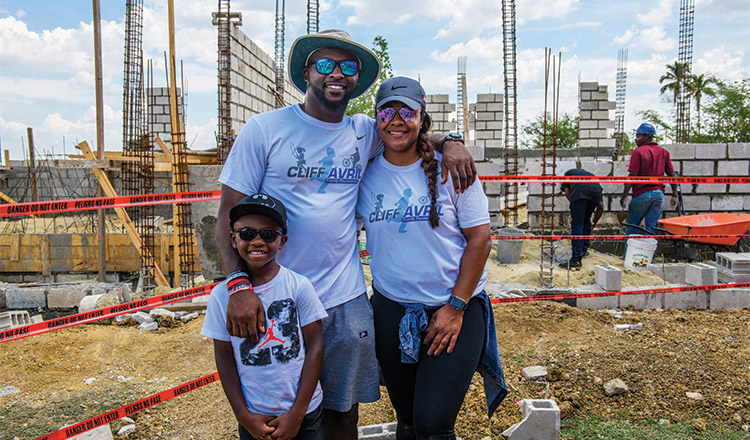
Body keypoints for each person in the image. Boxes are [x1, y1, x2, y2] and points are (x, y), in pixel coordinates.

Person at [216, 29, 477, 440]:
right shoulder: (264, 130)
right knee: (272, 412)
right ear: (306, 73)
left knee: (343, 415)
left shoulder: (364, 131)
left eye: (348, 66)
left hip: (344, 298)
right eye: (325, 64)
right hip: (276, 298)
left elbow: (407, 130)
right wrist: (237, 285)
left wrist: (454, 141)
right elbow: (228, 216)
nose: (336, 73)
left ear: (357, 80)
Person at [356, 76, 507, 439]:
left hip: (455, 308)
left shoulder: (453, 169)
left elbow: (480, 240)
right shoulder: (366, 173)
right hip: (392, 309)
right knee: (406, 419)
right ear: (376, 118)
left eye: (407, 111)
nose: (396, 119)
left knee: (433, 424)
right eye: (387, 111)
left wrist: (455, 308)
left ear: (422, 118)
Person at [202, 193, 328, 440]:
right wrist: (242, 415)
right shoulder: (220, 296)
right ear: (233, 238)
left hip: (305, 413)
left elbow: (315, 346)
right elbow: (224, 357)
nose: (257, 241)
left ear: (282, 241)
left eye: (268, 234)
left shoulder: (298, 286)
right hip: (254, 416)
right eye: (247, 233)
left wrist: (298, 413)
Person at [619, 123, 678, 240]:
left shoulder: (638, 152)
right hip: (658, 195)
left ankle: (629, 257)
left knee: (632, 228)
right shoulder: (664, 152)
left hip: (642, 194)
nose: (636, 139)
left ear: (647, 137)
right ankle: (647, 257)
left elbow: (633, 175)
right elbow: (671, 174)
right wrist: (674, 194)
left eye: (638, 136)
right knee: (651, 229)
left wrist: (624, 195)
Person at [559, 168, 603, 269]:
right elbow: (600, 206)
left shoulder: (568, 173)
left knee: (577, 223)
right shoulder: (593, 177)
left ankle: (576, 260)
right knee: (586, 219)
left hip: (579, 193)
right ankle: (583, 250)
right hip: (595, 193)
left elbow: (566, 192)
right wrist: (594, 224)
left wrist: (574, 203)